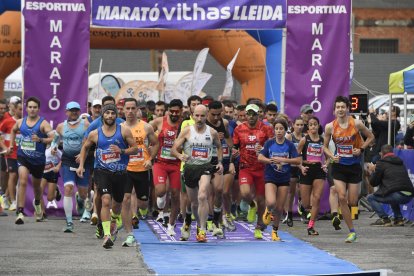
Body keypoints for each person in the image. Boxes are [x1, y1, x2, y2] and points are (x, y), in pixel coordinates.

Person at [77, 103, 138, 249]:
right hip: (102, 171)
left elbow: (135, 149)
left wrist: (121, 151)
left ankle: (114, 221)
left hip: (120, 172)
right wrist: (81, 165)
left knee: (117, 204)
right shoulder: (95, 133)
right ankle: (106, 235)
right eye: (107, 113)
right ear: (103, 115)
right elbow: (85, 147)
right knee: (105, 200)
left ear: (116, 115)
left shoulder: (124, 131)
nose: (110, 116)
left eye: (112, 113)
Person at [323, 96, 375, 243]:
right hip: (339, 166)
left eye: (342, 107)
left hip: (354, 166)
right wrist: (332, 157)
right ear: (334, 110)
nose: (340, 109)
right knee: (341, 197)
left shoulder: (357, 124)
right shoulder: (330, 127)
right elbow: (324, 147)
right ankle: (351, 231)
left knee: (352, 201)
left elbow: (371, 137)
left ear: (347, 108)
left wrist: (361, 149)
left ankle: (347, 216)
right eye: (337, 107)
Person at [171, 104, 223, 242]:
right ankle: (197, 224)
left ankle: (202, 229)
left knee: (202, 196)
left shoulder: (212, 132)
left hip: (205, 167)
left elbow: (219, 148)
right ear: (193, 115)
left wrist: (219, 162)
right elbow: (174, 149)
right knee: (194, 203)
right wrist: (179, 156)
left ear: (207, 116)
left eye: (202, 116)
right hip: (189, 169)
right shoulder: (187, 131)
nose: (199, 119)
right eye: (197, 115)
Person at [8, 97, 55, 224]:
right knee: (22, 180)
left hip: (38, 160)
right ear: (26, 108)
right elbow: (13, 130)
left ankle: (38, 205)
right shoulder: (20, 122)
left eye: (35, 107)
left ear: (38, 109)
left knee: (36, 187)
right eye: (30, 107)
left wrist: (41, 140)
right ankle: (20, 212)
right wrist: (11, 145)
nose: (32, 109)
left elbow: (54, 137)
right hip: (23, 156)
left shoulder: (43, 123)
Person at [232, 104, 274, 239]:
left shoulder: (266, 129)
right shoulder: (239, 128)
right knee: (245, 193)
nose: (251, 116)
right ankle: (251, 205)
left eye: (253, 114)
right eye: (248, 114)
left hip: (261, 168)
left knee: (262, 200)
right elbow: (234, 146)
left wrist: (263, 150)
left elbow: (272, 147)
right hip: (245, 167)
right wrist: (233, 153)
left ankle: (259, 227)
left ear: (258, 115)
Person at [121, 98, 158, 247]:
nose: (130, 111)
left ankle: (141, 211)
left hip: (142, 168)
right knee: (126, 199)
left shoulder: (147, 127)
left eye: (132, 108)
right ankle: (129, 234)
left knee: (143, 202)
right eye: (127, 108)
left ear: (137, 110)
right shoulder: (120, 127)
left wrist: (151, 159)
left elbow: (156, 144)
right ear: (123, 110)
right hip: (125, 168)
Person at [259, 118, 301, 241]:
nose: (278, 131)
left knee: (279, 207)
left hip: (284, 178)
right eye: (276, 129)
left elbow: (298, 160)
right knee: (271, 202)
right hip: (271, 176)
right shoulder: (269, 143)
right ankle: (267, 210)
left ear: (285, 130)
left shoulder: (289, 145)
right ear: (274, 130)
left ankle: (274, 231)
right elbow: (260, 157)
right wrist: (269, 160)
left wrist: (284, 160)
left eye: (281, 129)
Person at [55, 101, 91, 232]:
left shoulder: (86, 124)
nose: (74, 112)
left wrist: (83, 155)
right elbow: (55, 140)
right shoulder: (60, 126)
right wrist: (54, 147)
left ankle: (80, 200)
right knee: (68, 188)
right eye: (71, 110)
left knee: (83, 193)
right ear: (66, 112)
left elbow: (90, 143)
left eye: (76, 110)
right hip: (68, 161)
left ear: (79, 111)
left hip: (83, 160)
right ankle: (69, 222)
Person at [150, 99, 183, 236]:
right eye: (172, 111)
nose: (174, 114)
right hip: (160, 162)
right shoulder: (159, 121)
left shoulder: (184, 124)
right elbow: (144, 130)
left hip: (176, 163)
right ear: (168, 110)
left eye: (177, 112)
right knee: (160, 190)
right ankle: (161, 203)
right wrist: (149, 144)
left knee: (175, 194)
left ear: (181, 111)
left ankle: (171, 224)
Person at [206, 100, 235, 235]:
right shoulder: (202, 123)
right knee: (206, 192)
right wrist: (213, 138)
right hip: (203, 161)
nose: (216, 117)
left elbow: (229, 140)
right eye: (214, 115)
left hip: (218, 160)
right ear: (208, 112)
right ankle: (208, 219)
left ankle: (216, 219)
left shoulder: (224, 123)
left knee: (218, 189)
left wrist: (231, 149)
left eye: (219, 114)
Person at [367, 144, 414, 226]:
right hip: (409, 195)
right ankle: (399, 219)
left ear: (381, 153)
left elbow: (373, 183)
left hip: (397, 195)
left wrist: (372, 171)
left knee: (370, 198)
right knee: (392, 192)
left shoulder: (381, 163)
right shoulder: (400, 162)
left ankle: (385, 219)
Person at [296, 116, 327, 235]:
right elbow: (296, 156)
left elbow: (328, 156)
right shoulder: (304, 140)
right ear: (308, 127)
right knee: (306, 203)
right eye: (311, 124)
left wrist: (326, 164)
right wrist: (301, 166)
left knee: (317, 198)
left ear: (318, 126)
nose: (313, 126)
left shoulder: (323, 140)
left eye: (315, 124)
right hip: (307, 170)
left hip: (318, 170)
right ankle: (301, 205)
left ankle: (311, 226)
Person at [0, 100, 23, 212]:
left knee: (17, 177)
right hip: (11, 154)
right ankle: (13, 202)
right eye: (20, 109)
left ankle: (5, 197)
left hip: (22, 154)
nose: (22, 111)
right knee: (12, 176)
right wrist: (5, 148)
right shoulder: (7, 121)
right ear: (14, 109)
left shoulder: (26, 122)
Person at [284, 117, 304, 226]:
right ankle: (289, 214)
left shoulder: (305, 137)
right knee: (291, 192)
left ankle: (303, 209)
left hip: (301, 167)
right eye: (298, 125)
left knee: (302, 190)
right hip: (291, 166)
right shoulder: (289, 136)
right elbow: (285, 151)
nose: (300, 127)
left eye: (301, 125)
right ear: (293, 125)